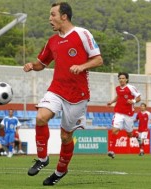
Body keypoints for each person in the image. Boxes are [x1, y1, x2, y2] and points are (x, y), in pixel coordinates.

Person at [23, 2, 103, 186]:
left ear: (64, 16)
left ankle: (60, 171)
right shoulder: (52, 41)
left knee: (65, 137)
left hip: (78, 94)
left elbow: (98, 59)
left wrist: (82, 66)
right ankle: (42, 159)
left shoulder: (82, 34)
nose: (50, 19)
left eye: (53, 15)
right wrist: (31, 66)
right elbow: (41, 64)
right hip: (56, 89)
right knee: (41, 117)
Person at [107, 72, 141, 159]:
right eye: (120, 78)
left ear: (126, 79)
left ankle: (136, 135)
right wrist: (111, 101)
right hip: (118, 113)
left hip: (128, 115)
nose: (121, 80)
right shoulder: (117, 88)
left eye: (123, 78)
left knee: (129, 134)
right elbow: (118, 96)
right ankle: (111, 151)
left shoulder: (131, 88)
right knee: (114, 130)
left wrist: (133, 101)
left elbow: (139, 98)